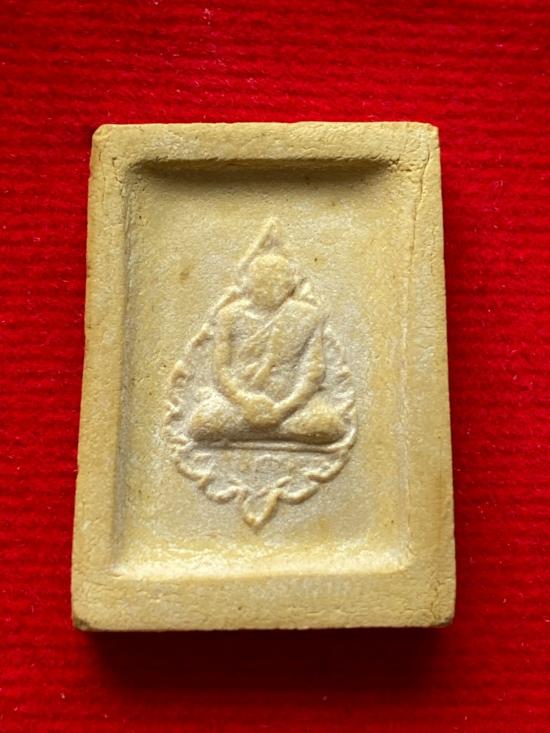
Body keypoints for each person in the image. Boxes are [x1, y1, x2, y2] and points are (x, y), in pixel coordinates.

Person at [187, 252, 346, 445]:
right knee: (201, 425)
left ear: (289, 286)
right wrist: (244, 401)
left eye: (278, 283)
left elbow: (313, 374)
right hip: (238, 404)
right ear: (248, 284)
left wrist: (283, 409)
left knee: (330, 426)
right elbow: (221, 370)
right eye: (262, 282)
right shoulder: (229, 316)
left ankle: (256, 430)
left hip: (291, 407)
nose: (270, 289)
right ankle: (275, 432)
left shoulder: (307, 316)